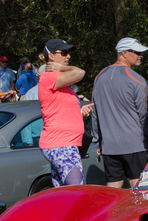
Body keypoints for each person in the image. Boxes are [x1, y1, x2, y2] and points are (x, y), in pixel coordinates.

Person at [91, 37, 148, 189]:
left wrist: (97, 140)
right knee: (138, 189)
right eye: (137, 52)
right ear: (124, 53)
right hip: (134, 144)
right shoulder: (137, 80)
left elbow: (94, 112)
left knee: (113, 188)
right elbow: (144, 115)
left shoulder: (99, 77)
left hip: (109, 146)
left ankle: (112, 214)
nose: (140, 55)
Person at [38, 38, 93, 187]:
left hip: (64, 143)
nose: (68, 56)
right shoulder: (49, 77)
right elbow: (80, 72)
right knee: (76, 189)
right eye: (63, 52)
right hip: (61, 143)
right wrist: (60, 68)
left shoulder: (61, 84)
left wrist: (79, 112)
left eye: (68, 52)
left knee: (63, 191)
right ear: (51, 56)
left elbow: (58, 110)